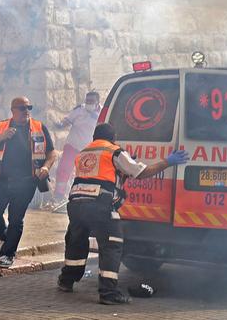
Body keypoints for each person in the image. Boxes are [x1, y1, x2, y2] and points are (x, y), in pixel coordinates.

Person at [57, 123, 189, 304]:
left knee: (76, 242)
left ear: (95, 137)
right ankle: (108, 293)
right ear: (113, 138)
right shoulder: (115, 152)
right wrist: (168, 161)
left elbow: (100, 176)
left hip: (76, 205)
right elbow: (141, 172)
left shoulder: (84, 153)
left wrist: (122, 171)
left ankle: (66, 281)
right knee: (112, 246)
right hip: (99, 206)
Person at [0, 96, 57, 269]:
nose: (26, 111)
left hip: (26, 182)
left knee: (16, 219)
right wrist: (1, 138)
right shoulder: (1, 126)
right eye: (22, 108)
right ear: (13, 110)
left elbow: (52, 153)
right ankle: (4, 236)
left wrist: (46, 167)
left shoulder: (39, 127)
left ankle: (9, 254)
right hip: (1, 180)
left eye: (29, 107)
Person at [54, 91, 102, 202]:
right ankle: (59, 196)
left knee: (86, 173)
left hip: (90, 148)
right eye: (87, 101)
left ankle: (84, 197)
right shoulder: (79, 110)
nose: (88, 103)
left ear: (97, 102)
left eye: (91, 101)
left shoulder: (102, 112)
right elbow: (67, 120)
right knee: (64, 169)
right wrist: (60, 125)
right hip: (73, 145)